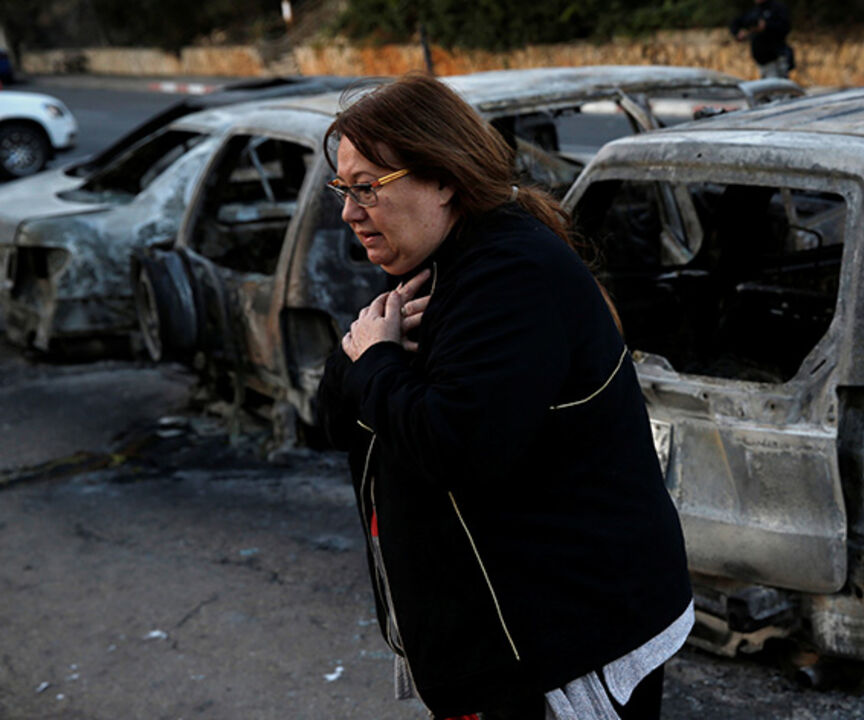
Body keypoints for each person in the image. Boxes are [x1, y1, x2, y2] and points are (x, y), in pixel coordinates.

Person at [316, 72, 693, 720]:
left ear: (443, 177)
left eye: (366, 188)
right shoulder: (431, 268)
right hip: (498, 646)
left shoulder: (510, 279)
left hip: (563, 646)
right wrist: (368, 359)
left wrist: (375, 362)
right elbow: (334, 416)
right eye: (342, 190)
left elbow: (454, 446)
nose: (349, 212)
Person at [730, 0, 794, 79]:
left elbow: (786, 27)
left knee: (776, 88)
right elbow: (735, 23)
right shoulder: (754, 11)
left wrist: (766, 26)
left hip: (776, 59)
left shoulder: (777, 8)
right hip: (761, 64)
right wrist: (738, 33)